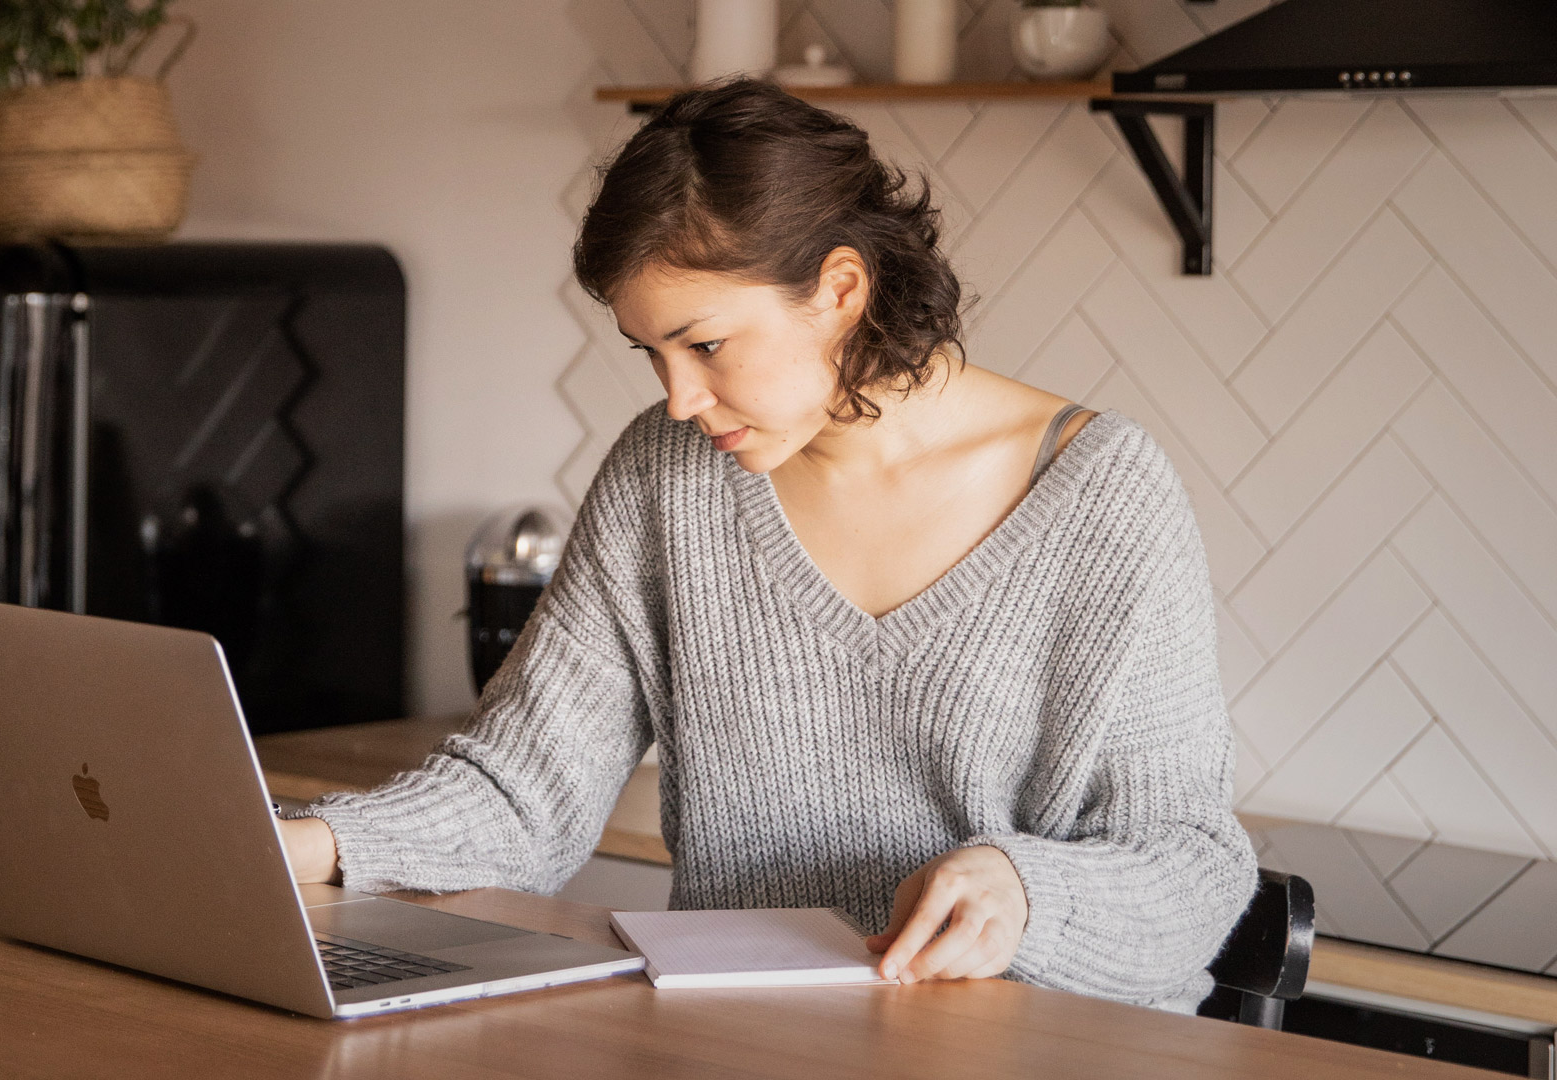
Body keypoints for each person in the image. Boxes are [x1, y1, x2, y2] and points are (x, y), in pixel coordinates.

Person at [277, 78, 1257, 1015]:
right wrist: (308, 844)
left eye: (704, 346)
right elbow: (527, 789)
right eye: (651, 354)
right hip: (738, 1042)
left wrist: (1028, 893)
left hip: (1028, 1049)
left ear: (839, 288)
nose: (678, 399)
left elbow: (1190, 864)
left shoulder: (1101, 495)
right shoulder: (667, 475)